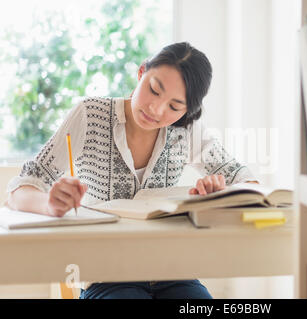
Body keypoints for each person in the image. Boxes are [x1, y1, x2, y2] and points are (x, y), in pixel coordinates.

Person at [5, 42, 259, 299]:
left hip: (173, 271)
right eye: (154, 89)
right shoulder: (90, 115)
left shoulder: (186, 131)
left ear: (187, 111)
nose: (156, 110)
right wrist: (50, 204)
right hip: (106, 275)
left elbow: (246, 180)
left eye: (174, 107)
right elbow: (20, 188)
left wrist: (221, 195)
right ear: (141, 73)